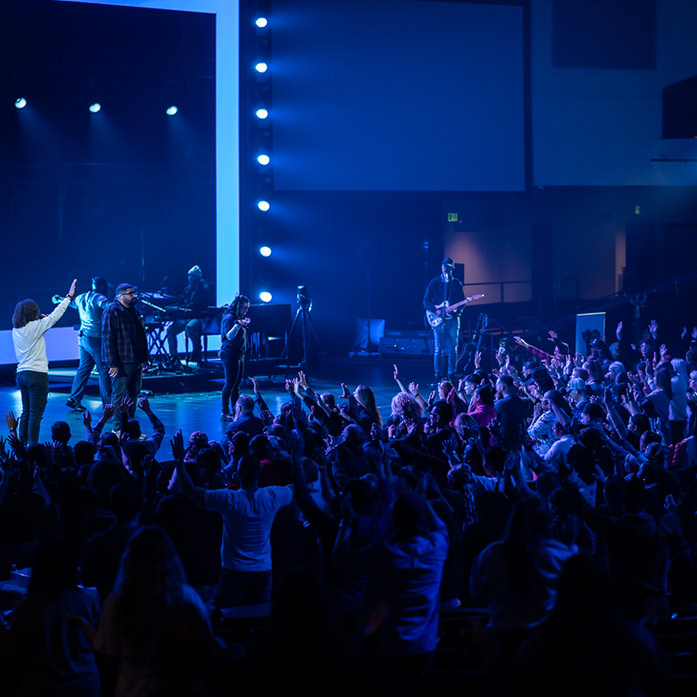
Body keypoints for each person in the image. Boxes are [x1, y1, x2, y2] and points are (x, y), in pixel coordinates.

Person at [11, 278, 77, 445]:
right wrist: (68, 297)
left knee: (26, 412)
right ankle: (32, 448)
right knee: (36, 415)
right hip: (36, 375)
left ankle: (22, 447)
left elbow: (35, 323)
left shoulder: (16, 329)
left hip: (21, 374)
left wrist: (39, 318)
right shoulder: (36, 327)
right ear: (33, 313)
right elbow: (55, 315)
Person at [58, 276, 111, 411]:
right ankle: (108, 404)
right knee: (104, 370)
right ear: (103, 287)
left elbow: (71, 304)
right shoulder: (100, 298)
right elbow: (109, 307)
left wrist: (59, 299)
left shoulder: (82, 297)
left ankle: (74, 399)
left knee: (84, 368)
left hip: (83, 337)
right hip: (95, 338)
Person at [101, 283, 148, 421]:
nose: (134, 296)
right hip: (122, 361)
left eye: (133, 293)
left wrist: (145, 358)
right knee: (119, 395)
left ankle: (130, 425)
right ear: (120, 296)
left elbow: (141, 336)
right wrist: (113, 363)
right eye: (130, 293)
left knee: (133, 394)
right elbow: (108, 339)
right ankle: (118, 427)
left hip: (136, 359)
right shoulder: (112, 311)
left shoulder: (134, 311)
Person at [423, 257, 465, 384]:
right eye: (444, 266)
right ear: (441, 267)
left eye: (448, 266)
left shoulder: (456, 283)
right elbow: (425, 300)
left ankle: (451, 373)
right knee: (438, 348)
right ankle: (438, 374)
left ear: (453, 268)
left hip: (452, 319)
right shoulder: (434, 282)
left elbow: (462, 302)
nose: (445, 268)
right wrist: (435, 310)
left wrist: (456, 311)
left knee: (453, 348)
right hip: (437, 318)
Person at [165, 265, 210, 365]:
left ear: (198, 277)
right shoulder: (188, 288)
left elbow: (197, 304)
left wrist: (183, 306)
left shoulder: (203, 287)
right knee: (170, 331)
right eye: (189, 276)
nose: (190, 278)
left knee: (190, 328)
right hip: (187, 317)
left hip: (199, 317)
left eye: (193, 276)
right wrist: (173, 305)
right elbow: (182, 300)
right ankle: (174, 356)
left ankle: (196, 349)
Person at [220, 294, 251, 420]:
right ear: (238, 307)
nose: (246, 311)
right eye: (244, 308)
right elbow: (229, 336)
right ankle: (225, 411)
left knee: (236, 385)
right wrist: (237, 326)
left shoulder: (238, 318)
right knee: (230, 384)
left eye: (247, 308)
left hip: (239, 354)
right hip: (230, 354)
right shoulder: (230, 318)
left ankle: (235, 409)